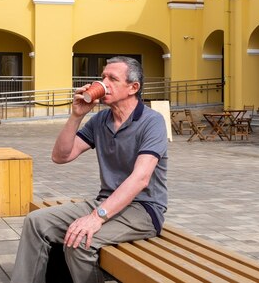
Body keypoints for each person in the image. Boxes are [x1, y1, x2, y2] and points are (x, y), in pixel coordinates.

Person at [11, 56, 168, 283]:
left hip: (143, 210)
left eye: (112, 78)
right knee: (36, 222)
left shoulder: (152, 122)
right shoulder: (101, 119)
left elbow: (141, 178)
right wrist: (77, 115)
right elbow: (61, 156)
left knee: (82, 242)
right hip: (105, 201)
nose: (104, 82)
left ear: (133, 87)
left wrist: (96, 217)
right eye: (103, 76)